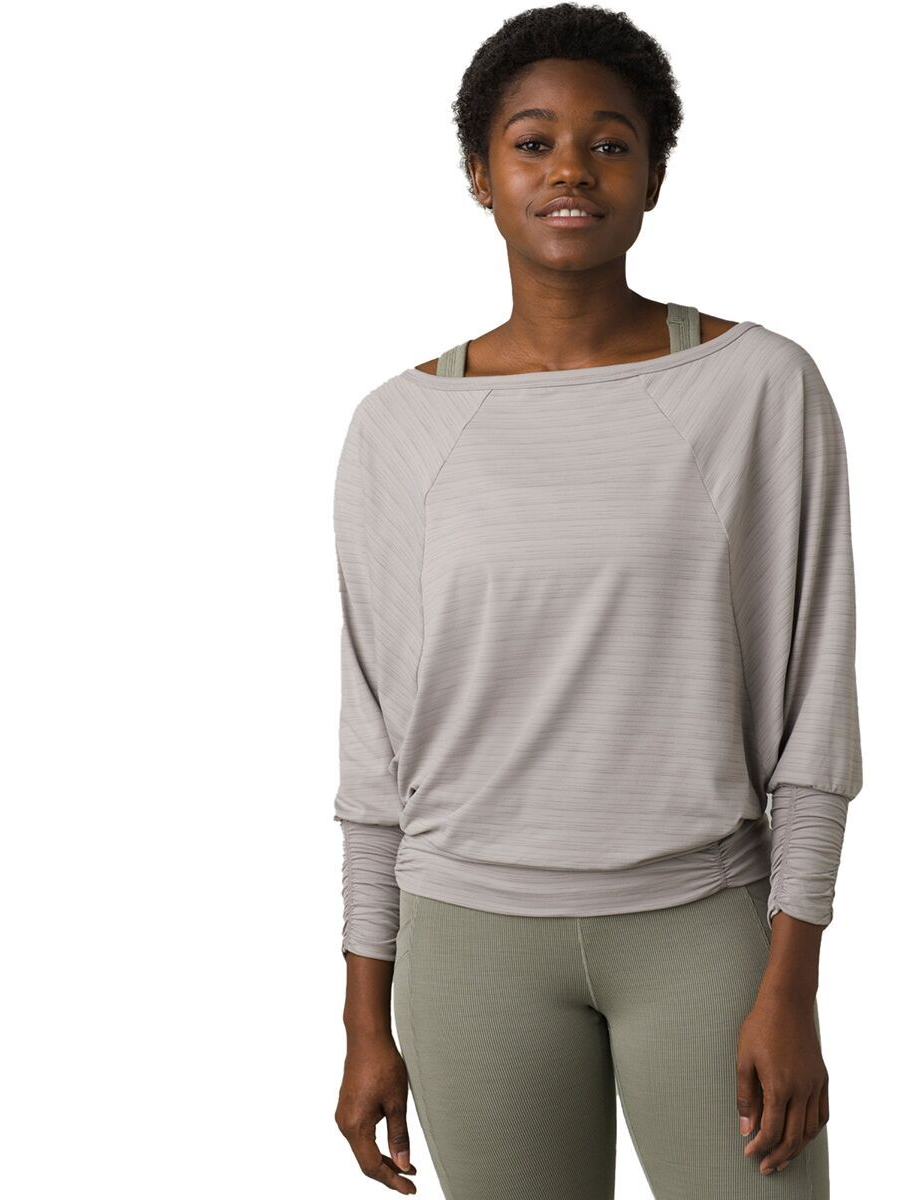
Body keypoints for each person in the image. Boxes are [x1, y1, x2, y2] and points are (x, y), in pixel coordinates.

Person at [331, 5, 863, 1198]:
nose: (570, 169)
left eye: (609, 143)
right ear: (480, 174)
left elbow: (814, 712)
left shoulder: (757, 389)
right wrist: (366, 1016)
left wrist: (794, 982)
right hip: (469, 944)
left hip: (701, 926)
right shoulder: (399, 428)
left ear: (655, 174)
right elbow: (374, 749)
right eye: (533, 142)